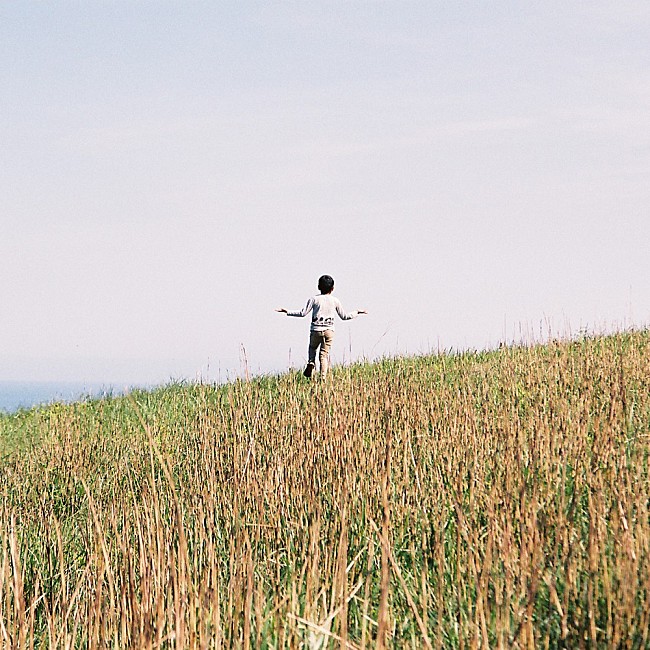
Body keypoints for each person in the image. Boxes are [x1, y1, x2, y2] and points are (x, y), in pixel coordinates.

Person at [276, 275, 367, 380]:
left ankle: (311, 363)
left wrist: (287, 311)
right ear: (332, 288)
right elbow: (344, 316)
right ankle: (323, 378)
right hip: (329, 331)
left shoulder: (314, 299)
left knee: (312, 348)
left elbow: (302, 313)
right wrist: (357, 312)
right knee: (323, 355)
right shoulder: (335, 301)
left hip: (315, 329)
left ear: (318, 286)